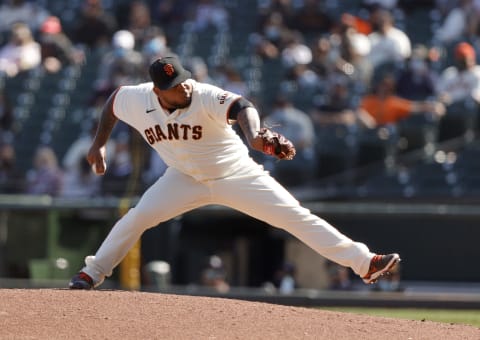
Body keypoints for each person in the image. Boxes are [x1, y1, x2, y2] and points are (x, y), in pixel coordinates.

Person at [68, 55, 400, 290]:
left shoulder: (203, 94)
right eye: (173, 85)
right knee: (137, 217)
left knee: (295, 216)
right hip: (183, 178)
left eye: (182, 80)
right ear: (157, 90)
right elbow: (112, 103)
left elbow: (242, 106)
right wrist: (99, 145)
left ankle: (364, 262)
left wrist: (255, 136)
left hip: (235, 174)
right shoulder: (137, 99)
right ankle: (90, 274)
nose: (183, 88)